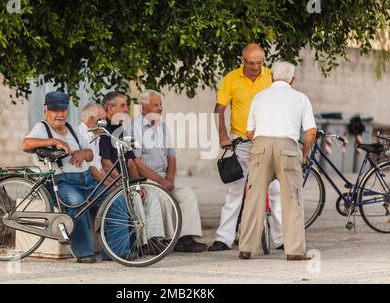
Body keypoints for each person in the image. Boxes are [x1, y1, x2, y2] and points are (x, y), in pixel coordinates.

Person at [21, 91, 130, 263]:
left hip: (86, 180)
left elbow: (90, 154)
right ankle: (83, 252)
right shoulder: (42, 128)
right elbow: (26, 144)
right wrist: (53, 142)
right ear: (46, 111)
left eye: (63, 110)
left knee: (115, 200)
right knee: (75, 202)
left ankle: (118, 252)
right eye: (55, 110)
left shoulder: (72, 128)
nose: (60, 114)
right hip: (61, 182)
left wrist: (81, 153)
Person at [238, 61, 317, 260]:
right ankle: (295, 251)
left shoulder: (259, 97)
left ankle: (246, 248)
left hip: (261, 147)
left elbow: (249, 131)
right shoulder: (300, 98)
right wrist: (304, 153)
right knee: (292, 199)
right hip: (288, 148)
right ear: (293, 79)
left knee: (253, 198)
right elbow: (311, 132)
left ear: (272, 77)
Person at [209, 43, 283, 252]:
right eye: (251, 63)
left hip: (267, 139)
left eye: (259, 63)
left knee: (275, 189)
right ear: (242, 60)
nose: (255, 67)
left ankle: (282, 238)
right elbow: (219, 109)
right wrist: (223, 136)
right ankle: (223, 238)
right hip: (240, 141)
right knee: (235, 190)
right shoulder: (231, 78)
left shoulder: (271, 77)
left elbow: (285, 101)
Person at [78, 101, 166, 252]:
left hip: (103, 181)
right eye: (102, 120)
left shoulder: (103, 134)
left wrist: (132, 184)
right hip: (88, 183)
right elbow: (99, 168)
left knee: (147, 194)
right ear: (91, 119)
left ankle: (154, 239)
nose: (104, 123)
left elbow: (130, 163)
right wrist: (117, 185)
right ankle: (141, 244)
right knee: (125, 198)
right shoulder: (85, 135)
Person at [132, 90, 207, 253]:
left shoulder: (163, 126)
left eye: (160, 104)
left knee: (188, 194)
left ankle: (186, 238)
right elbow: (136, 162)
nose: (160, 108)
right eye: (156, 105)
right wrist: (161, 181)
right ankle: (167, 239)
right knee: (164, 197)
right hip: (148, 178)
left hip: (165, 176)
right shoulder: (134, 128)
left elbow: (171, 156)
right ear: (144, 109)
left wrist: (170, 178)